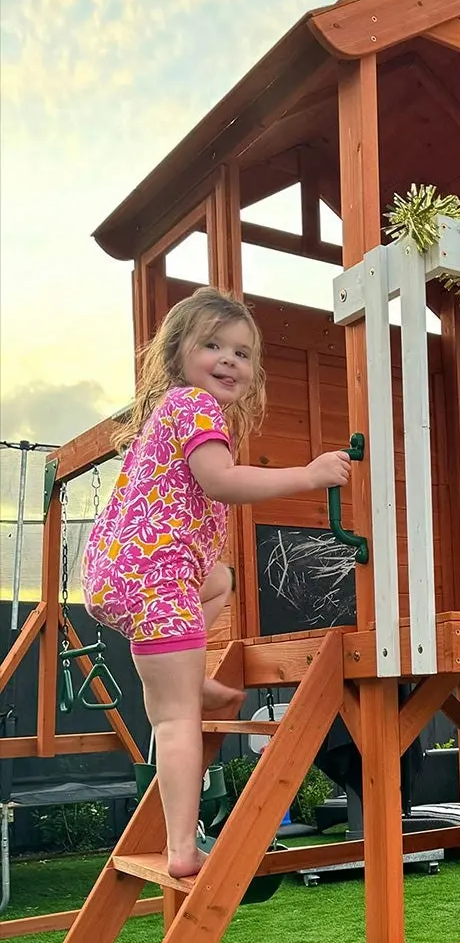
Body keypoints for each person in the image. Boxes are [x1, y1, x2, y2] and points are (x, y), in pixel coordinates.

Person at [83, 286, 351, 878]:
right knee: (176, 722)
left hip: (131, 572)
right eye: (213, 346)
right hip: (155, 579)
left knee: (221, 580)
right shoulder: (194, 409)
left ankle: (193, 678)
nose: (229, 360)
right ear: (179, 353)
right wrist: (307, 474)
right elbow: (221, 480)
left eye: (243, 352)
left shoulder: (167, 413)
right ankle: (182, 847)